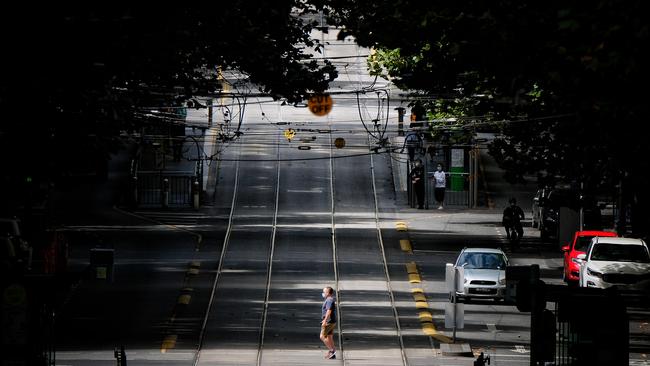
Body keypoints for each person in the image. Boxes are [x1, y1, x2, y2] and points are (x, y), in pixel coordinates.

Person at [320, 286, 337, 359]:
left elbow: (329, 310)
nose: (323, 293)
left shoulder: (329, 300)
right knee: (329, 337)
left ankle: (331, 351)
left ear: (328, 293)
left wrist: (325, 320)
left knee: (322, 336)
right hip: (332, 321)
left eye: (324, 292)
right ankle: (333, 354)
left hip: (329, 321)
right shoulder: (329, 299)